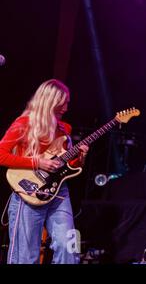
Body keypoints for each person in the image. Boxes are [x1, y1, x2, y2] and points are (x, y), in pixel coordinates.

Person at [0, 79, 89, 264]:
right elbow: (1, 154)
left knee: (69, 247)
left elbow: (65, 164)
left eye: (68, 102)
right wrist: (36, 162)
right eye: (63, 101)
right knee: (25, 256)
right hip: (29, 191)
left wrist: (80, 158)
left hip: (59, 193)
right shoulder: (24, 123)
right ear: (51, 100)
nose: (66, 106)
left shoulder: (65, 128)